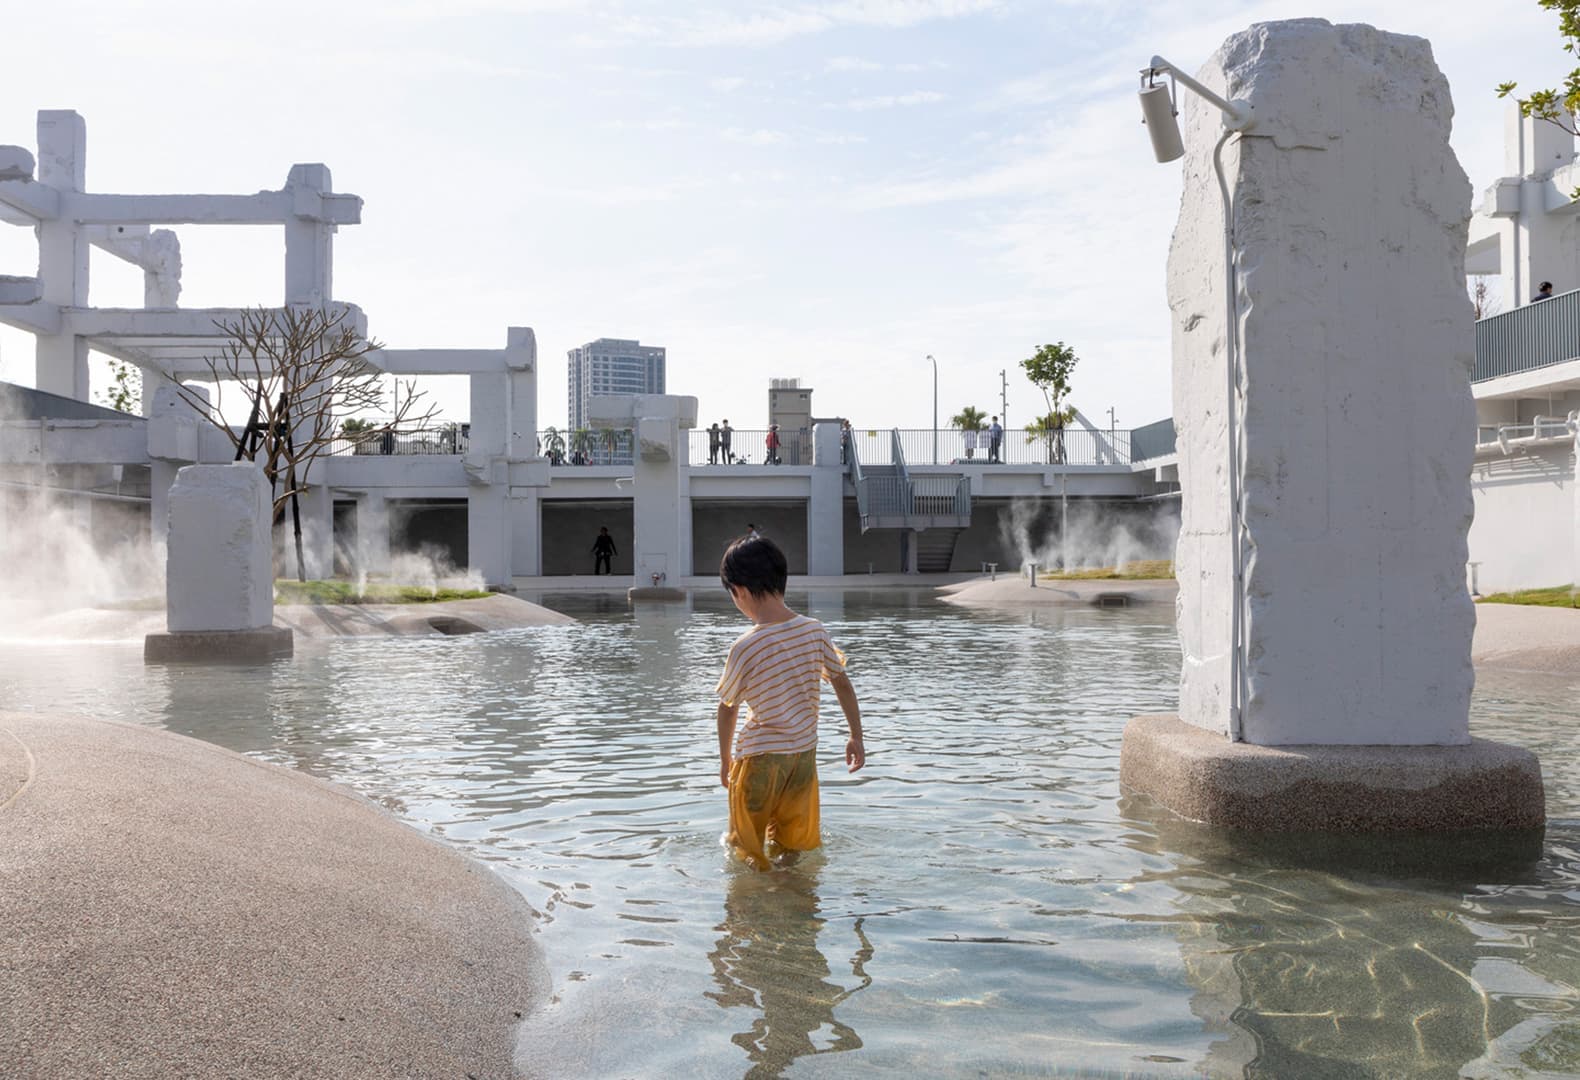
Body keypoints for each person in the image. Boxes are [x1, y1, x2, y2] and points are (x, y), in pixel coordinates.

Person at [714, 535, 865, 871]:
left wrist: (725, 759)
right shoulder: (814, 630)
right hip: (802, 760)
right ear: (781, 581)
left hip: (759, 761)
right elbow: (841, 681)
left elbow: (728, 707)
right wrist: (856, 735)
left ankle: (752, 911)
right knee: (793, 846)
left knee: (745, 849)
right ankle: (795, 903)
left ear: (737, 591)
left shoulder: (745, 646)